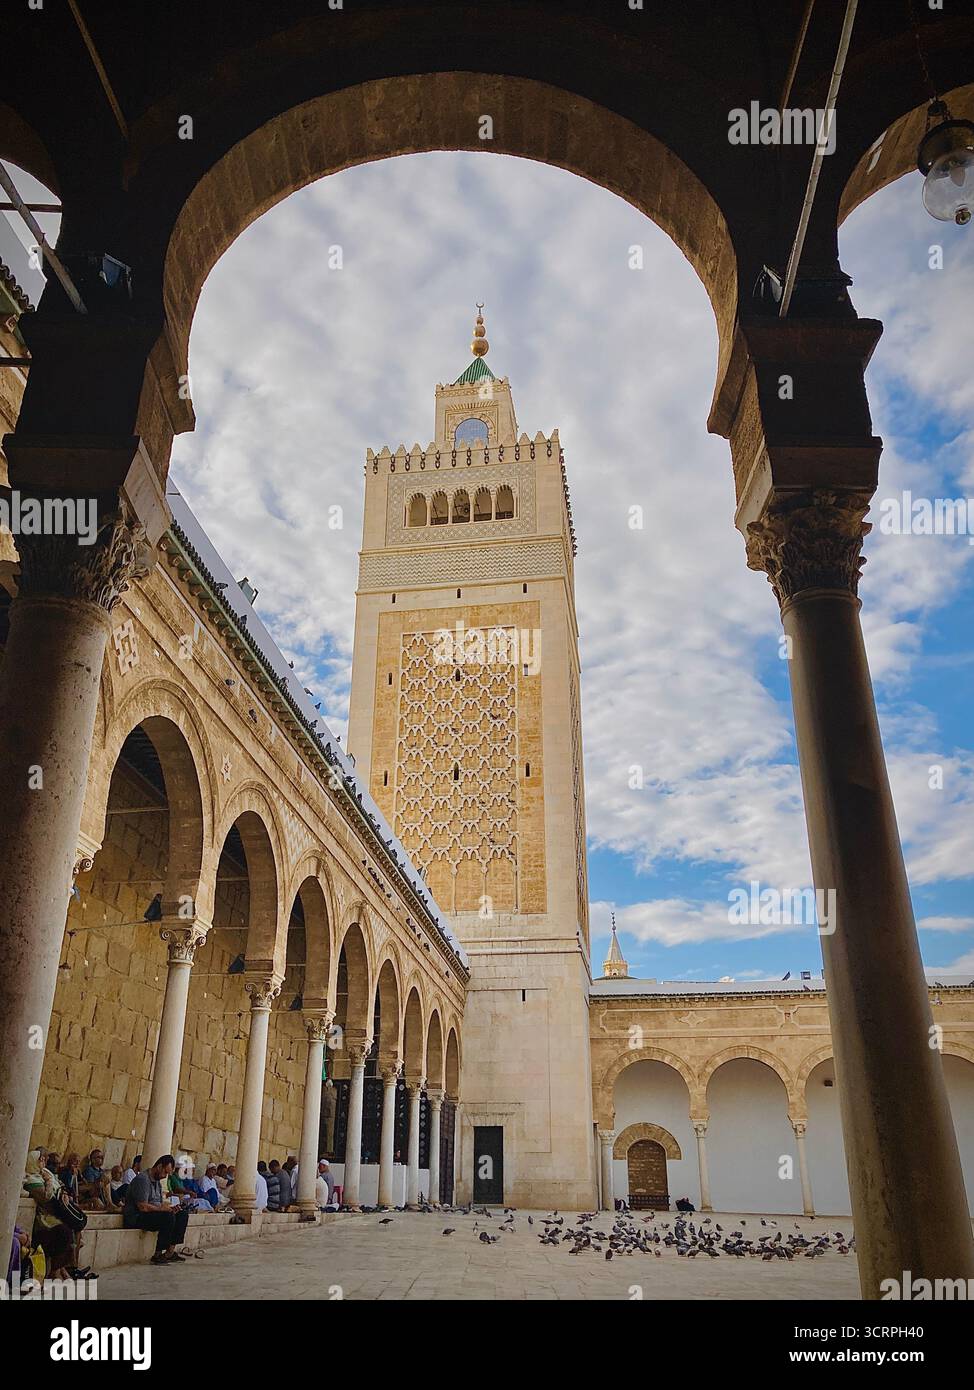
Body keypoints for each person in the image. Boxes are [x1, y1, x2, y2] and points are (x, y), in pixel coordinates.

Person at [23, 1149, 91, 1280]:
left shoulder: (45, 1173)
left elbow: (61, 1185)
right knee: (65, 1231)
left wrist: (64, 1193)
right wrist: (48, 1180)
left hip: (55, 1213)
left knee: (76, 1230)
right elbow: (46, 1198)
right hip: (45, 1219)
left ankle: (69, 1268)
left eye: (44, 1160)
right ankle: (57, 1270)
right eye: (40, 1160)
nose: (44, 1162)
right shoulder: (32, 1180)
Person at [123, 1154, 190, 1265]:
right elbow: (142, 1206)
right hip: (136, 1216)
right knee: (168, 1217)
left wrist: (171, 1208)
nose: (165, 1176)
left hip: (152, 1214)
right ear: (159, 1167)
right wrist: (163, 1210)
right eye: (165, 1172)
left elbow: (158, 1204)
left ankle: (169, 1252)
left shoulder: (157, 1183)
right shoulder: (143, 1180)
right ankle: (158, 1254)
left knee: (182, 1215)